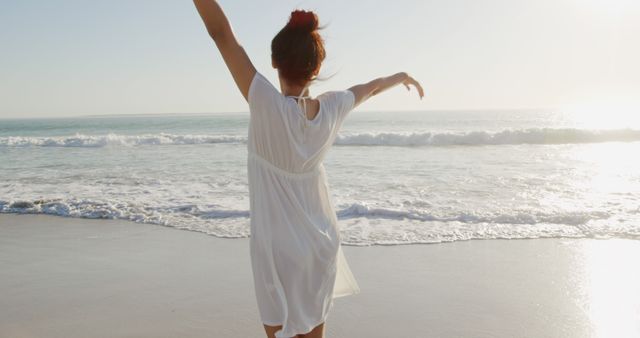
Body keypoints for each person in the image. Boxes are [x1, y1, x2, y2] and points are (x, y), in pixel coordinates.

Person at [193, 1, 424, 337]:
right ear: (316, 69)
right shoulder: (332, 108)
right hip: (319, 244)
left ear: (274, 61)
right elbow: (370, 88)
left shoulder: (264, 102)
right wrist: (400, 76)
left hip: (274, 251)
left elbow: (221, 34)